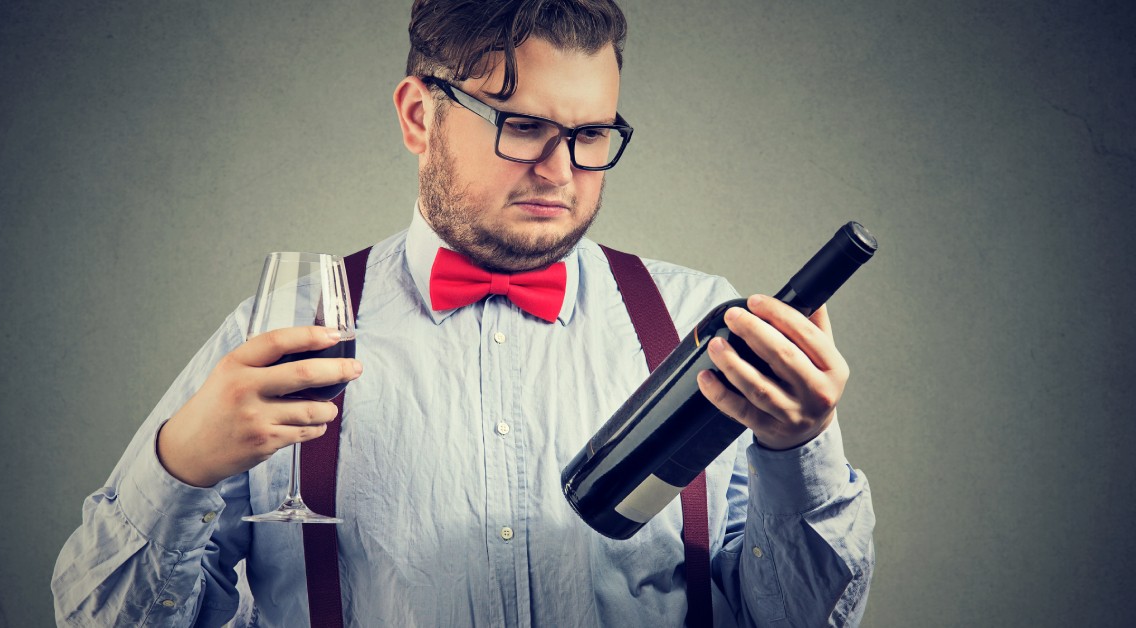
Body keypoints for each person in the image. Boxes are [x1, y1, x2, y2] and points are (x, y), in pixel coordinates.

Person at [52, 1, 875, 625]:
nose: (562, 171)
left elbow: (798, 618)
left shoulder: (697, 320)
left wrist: (796, 449)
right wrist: (181, 466)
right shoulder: (285, 335)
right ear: (420, 116)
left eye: (591, 134)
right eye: (522, 126)